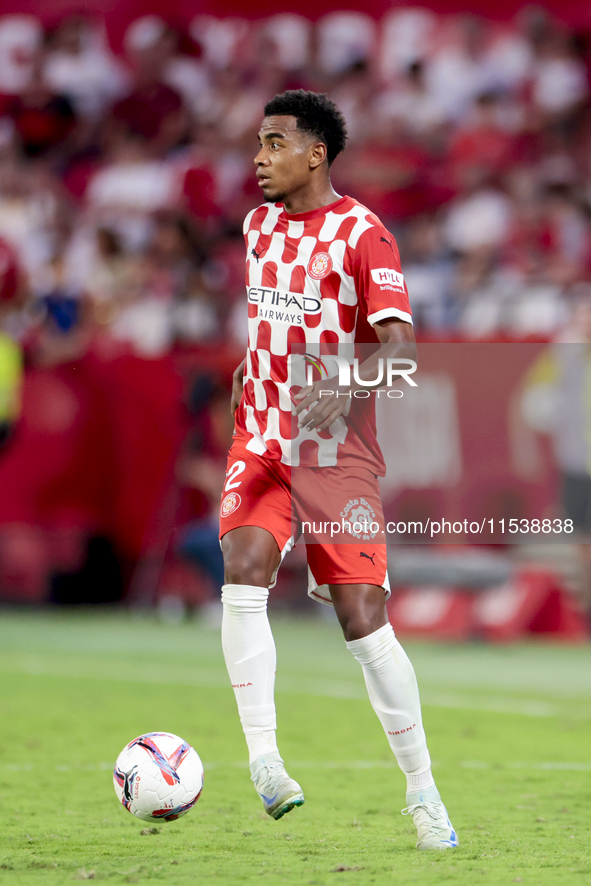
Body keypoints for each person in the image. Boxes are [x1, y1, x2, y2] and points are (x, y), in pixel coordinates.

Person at [219, 90, 458, 851]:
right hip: (261, 435)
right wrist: (246, 371)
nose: (259, 157)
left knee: (362, 622)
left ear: (315, 153)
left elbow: (402, 354)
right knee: (242, 565)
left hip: (336, 451)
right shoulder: (257, 227)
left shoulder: (364, 235)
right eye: (258, 143)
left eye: (274, 142)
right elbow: (270, 323)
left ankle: (423, 795)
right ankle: (264, 760)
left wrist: (345, 385)